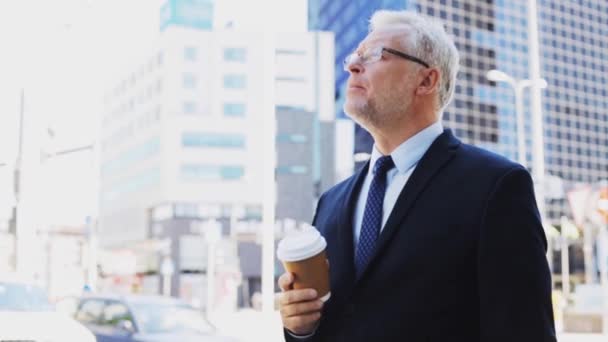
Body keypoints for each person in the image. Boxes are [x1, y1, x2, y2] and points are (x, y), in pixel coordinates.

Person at [277, 10, 556, 342]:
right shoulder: (331, 202)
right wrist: (301, 328)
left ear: (426, 80)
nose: (353, 66)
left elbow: (524, 331)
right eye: (354, 57)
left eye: (375, 55)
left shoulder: (496, 186)